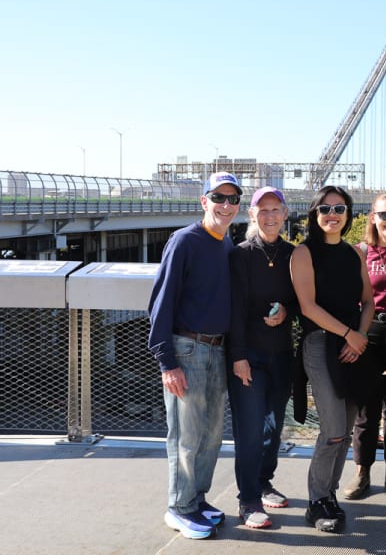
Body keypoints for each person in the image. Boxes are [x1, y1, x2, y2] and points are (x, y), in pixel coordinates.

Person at [147, 171, 242, 540]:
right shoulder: (184, 240)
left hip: (218, 349)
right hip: (186, 348)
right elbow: (161, 301)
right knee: (186, 435)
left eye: (233, 199)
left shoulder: (225, 243)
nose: (226, 205)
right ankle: (179, 507)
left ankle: (197, 499)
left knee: (212, 434)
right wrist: (167, 362)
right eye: (218, 197)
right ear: (204, 201)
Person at [289, 185, 374, 533]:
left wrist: (360, 337)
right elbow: (308, 307)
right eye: (325, 209)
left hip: (353, 346)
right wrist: (347, 334)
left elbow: (368, 301)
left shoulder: (355, 254)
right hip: (321, 344)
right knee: (334, 430)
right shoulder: (303, 254)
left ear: (348, 214)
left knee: (350, 421)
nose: (332, 215)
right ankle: (316, 501)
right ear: (314, 214)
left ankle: (330, 496)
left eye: (339, 209)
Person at [227, 186, 298, 529]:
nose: (270, 216)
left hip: (281, 353)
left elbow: (303, 300)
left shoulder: (294, 254)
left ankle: (264, 481)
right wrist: (238, 356)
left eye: (276, 209)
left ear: (286, 214)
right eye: (263, 210)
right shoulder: (241, 255)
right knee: (250, 429)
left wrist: (287, 311)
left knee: (273, 426)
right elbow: (235, 309)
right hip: (249, 355)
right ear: (252, 215)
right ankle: (249, 499)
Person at [343, 192, 386, 501]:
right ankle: (362, 472)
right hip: (368, 334)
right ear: (372, 217)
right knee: (366, 410)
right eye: (384, 215)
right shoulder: (359, 252)